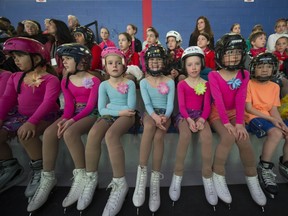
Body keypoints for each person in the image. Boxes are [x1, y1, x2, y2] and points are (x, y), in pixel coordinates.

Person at [27, 43, 101, 213]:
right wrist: (66, 118)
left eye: (68, 59)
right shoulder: (66, 79)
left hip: (90, 114)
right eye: (63, 59)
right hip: (73, 114)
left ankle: (82, 175)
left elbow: (90, 107)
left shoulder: (94, 80)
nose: (64, 63)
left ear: (81, 61)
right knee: (49, 133)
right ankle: (47, 177)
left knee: (69, 133)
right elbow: (68, 105)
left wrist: (72, 121)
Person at [208, 33, 266, 210]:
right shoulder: (214, 75)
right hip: (218, 114)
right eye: (229, 53)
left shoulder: (245, 74)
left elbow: (241, 99)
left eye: (237, 53)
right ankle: (217, 174)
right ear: (221, 54)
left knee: (244, 138)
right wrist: (227, 124)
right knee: (227, 137)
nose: (233, 57)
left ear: (243, 55)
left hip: (235, 114)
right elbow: (217, 100)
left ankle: (252, 178)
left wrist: (239, 123)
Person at [0, 37, 60, 197]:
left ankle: (40, 170)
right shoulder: (15, 77)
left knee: (25, 135)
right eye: (13, 57)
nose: (16, 60)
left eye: (19, 56)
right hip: (21, 116)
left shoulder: (50, 79)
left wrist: (32, 122)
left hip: (47, 115)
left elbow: (48, 102)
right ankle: (10, 166)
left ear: (36, 57)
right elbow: (7, 99)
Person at [88, 47, 136, 216]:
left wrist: (112, 108)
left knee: (110, 135)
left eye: (118, 63)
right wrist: (117, 110)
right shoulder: (103, 85)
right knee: (93, 134)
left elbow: (130, 108)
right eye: (110, 63)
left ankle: (119, 183)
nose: (114, 66)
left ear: (123, 66)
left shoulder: (129, 83)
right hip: (115, 114)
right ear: (105, 66)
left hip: (127, 117)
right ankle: (90, 178)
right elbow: (101, 109)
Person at [168, 46, 217, 209]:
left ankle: (207, 177)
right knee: (185, 136)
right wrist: (189, 121)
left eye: (197, 64)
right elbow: (181, 106)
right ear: (185, 66)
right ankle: (177, 174)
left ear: (202, 64)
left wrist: (203, 120)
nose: (194, 67)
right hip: (185, 116)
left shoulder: (207, 84)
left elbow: (207, 106)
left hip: (200, 116)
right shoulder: (181, 84)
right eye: (190, 64)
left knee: (207, 137)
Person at [132, 44, 175, 214]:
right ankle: (141, 176)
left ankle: (155, 180)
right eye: (152, 60)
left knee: (159, 137)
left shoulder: (170, 81)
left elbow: (170, 103)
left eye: (158, 60)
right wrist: (155, 117)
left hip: (166, 114)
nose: (155, 63)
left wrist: (164, 117)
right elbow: (147, 104)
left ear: (163, 62)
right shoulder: (143, 82)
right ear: (147, 63)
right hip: (151, 114)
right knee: (149, 126)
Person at [245, 52, 288, 199]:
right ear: (253, 68)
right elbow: (249, 108)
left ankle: (285, 163)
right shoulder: (249, 84)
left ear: (274, 69)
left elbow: (274, 109)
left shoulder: (275, 87)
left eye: (268, 66)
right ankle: (264, 167)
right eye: (261, 66)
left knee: (285, 130)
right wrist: (272, 120)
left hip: (268, 116)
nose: (264, 69)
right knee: (276, 133)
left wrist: (280, 122)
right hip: (253, 117)